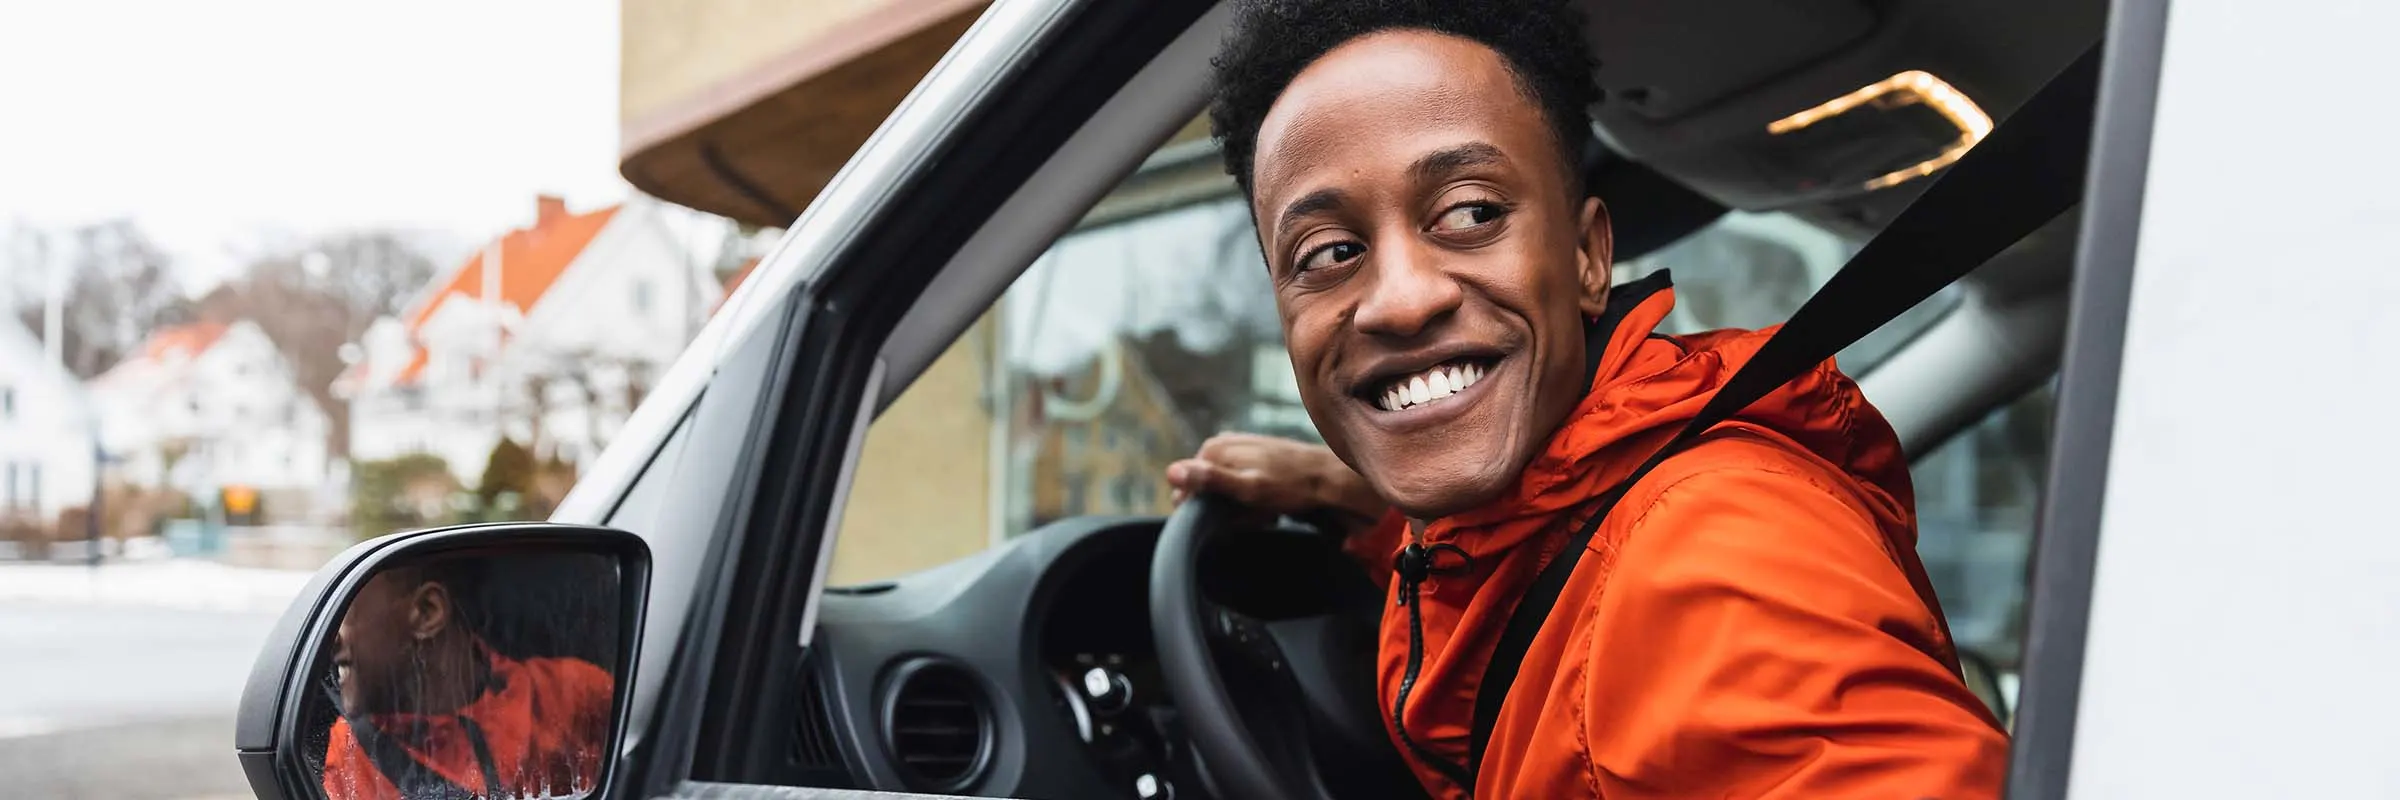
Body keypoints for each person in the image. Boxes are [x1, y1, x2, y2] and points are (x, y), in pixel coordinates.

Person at [1166, 1, 2010, 797]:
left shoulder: (1711, 562)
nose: (1401, 299)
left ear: (1587, 259)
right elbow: (1536, 568)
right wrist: (1354, 505)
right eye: (1329, 251)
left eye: (1469, 212)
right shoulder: (1578, 516)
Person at [321, 557, 616, 800]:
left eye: (345, 612)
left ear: (427, 612)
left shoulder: (573, 693)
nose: (329, 639)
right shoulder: (354, 747)